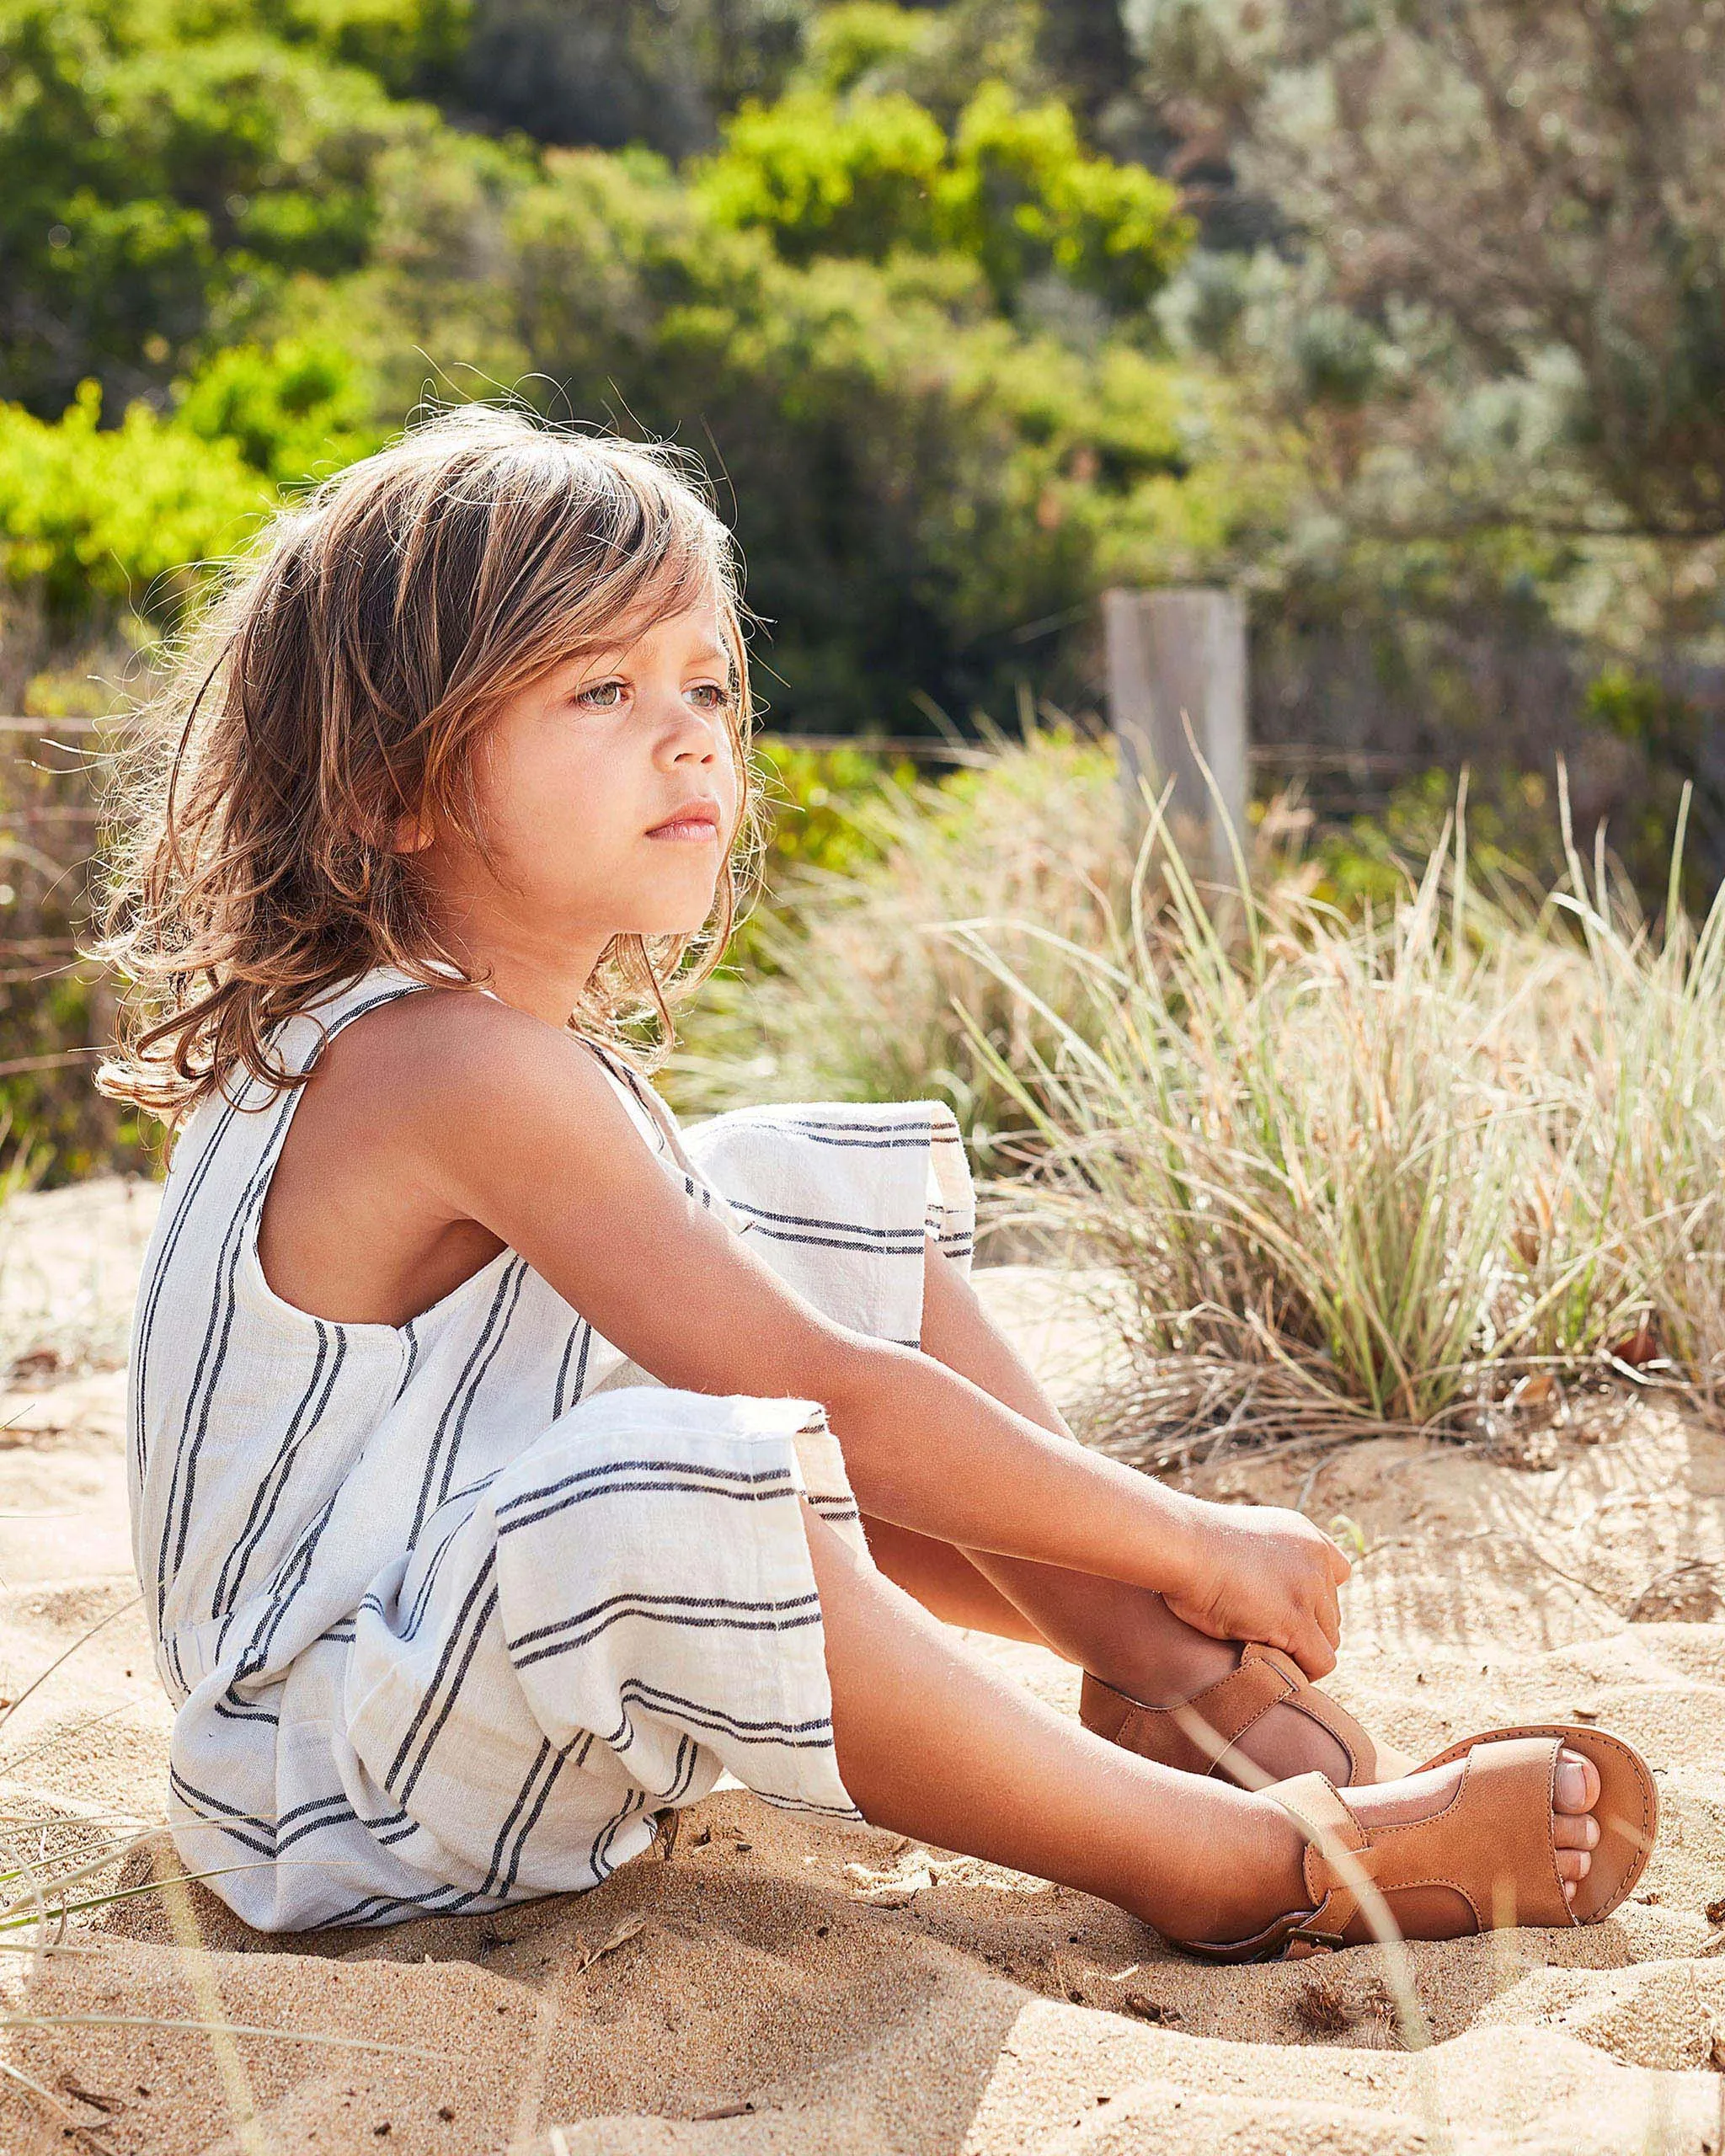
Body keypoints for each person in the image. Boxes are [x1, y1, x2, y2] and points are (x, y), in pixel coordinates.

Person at [99, 403, 1656, 1957]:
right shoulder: (450, 1067)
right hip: (336, 1778)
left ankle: (1157, 1676)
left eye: (707, 681)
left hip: (457, 1656)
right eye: (602, 688)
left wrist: (1145, 1579)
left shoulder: (479, 1048)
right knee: (662, 1476)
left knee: (772, 1185)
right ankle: (1233, 1855)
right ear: (395, 789)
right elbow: (829, 1402)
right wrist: (1190, 1539)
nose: (693, 730)